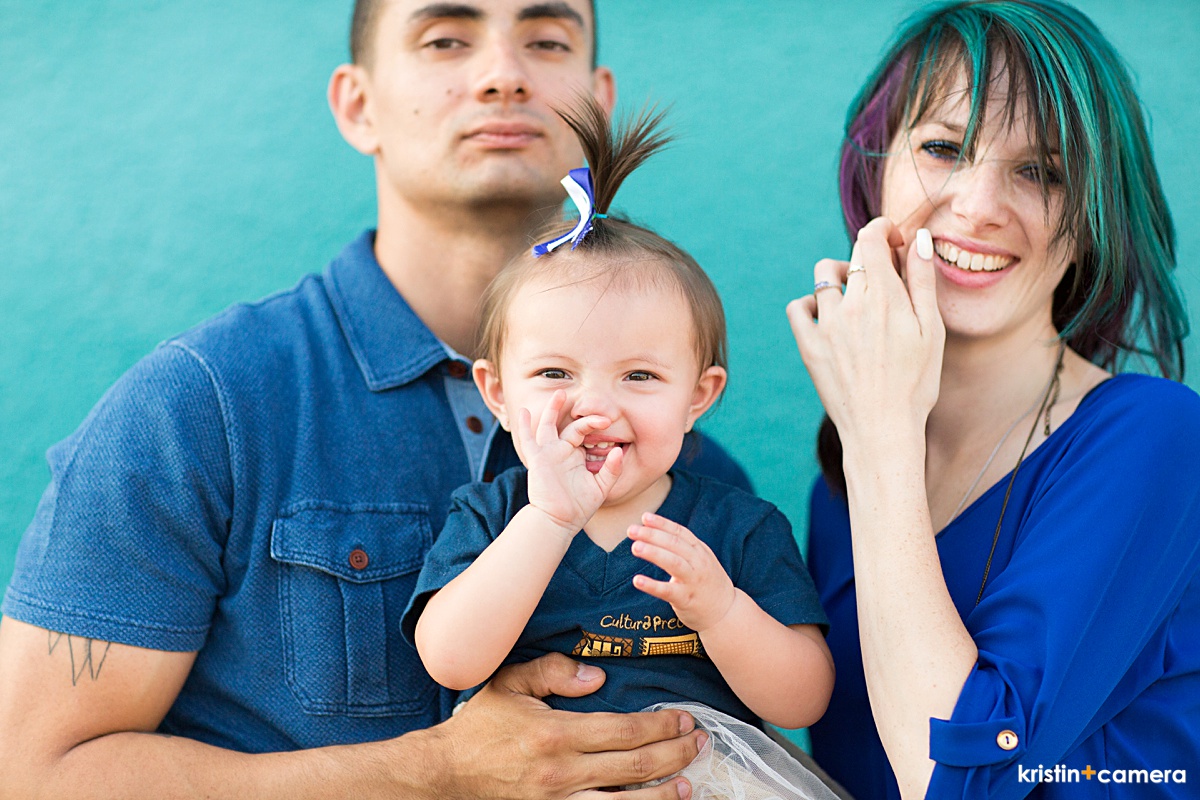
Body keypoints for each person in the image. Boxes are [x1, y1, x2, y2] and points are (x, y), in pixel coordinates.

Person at [0, 2, 751, 797]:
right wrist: (437, 772)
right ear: (359, 104)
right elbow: (35, 773)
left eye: (546, 39)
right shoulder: (199, 408)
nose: (502, 73)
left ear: (597, 100)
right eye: (446, 39)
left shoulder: (693, 475)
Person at [786, 1, 1200, 798]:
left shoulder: (1158, 439)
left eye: (1040, 171)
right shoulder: (840, 486)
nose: (977, 207)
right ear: (875, 172)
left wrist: (878, 435)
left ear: (1093, 213)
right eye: (943, 148)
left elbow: (964, 780)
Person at [401, 97, 836, 797]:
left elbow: (804, 699)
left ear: (698, 395)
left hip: (705, 778)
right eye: (554, 374)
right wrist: (548, 520)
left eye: (639, 375)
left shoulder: (738, 527)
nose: (597, 405)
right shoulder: (491, 516)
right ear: (498, 394)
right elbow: (449, 660)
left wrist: (723, 613)